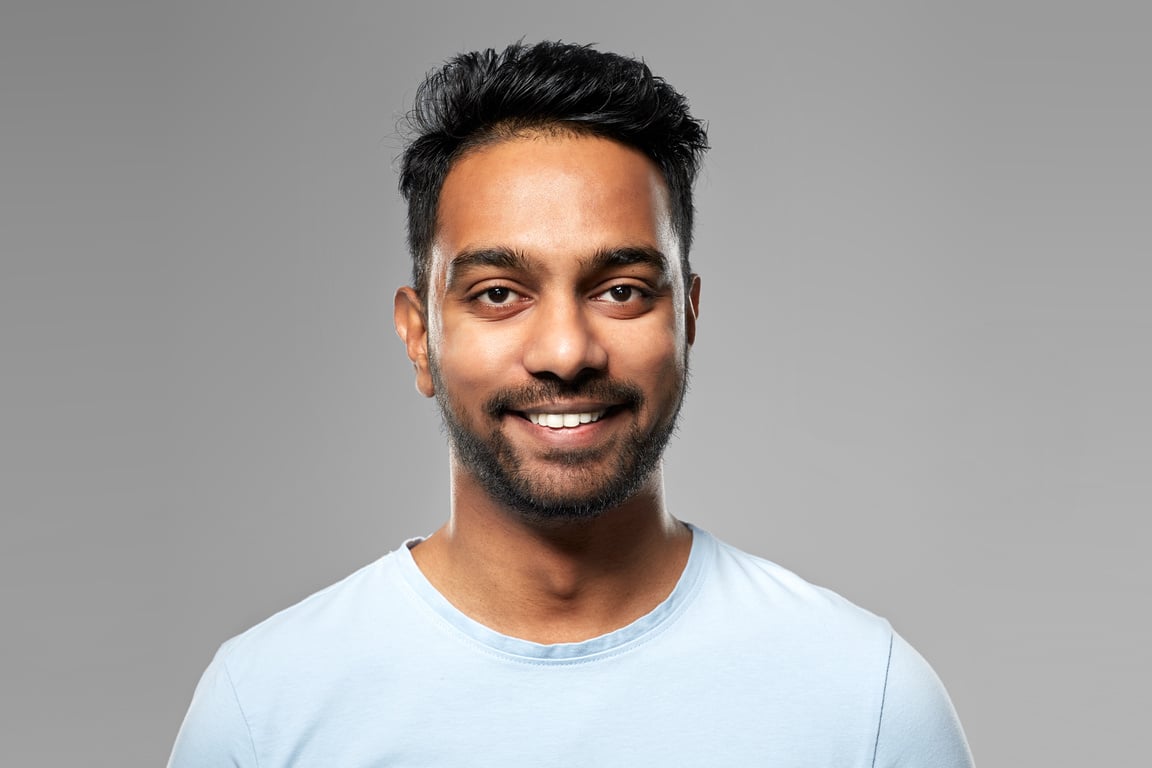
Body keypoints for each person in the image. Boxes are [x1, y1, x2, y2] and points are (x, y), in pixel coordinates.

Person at [169, 41, 973, 766]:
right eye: (498, 294)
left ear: (688, 318)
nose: (565, 352)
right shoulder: (264, 711)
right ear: (420, 337)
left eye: (621, 290)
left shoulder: (865, 701)